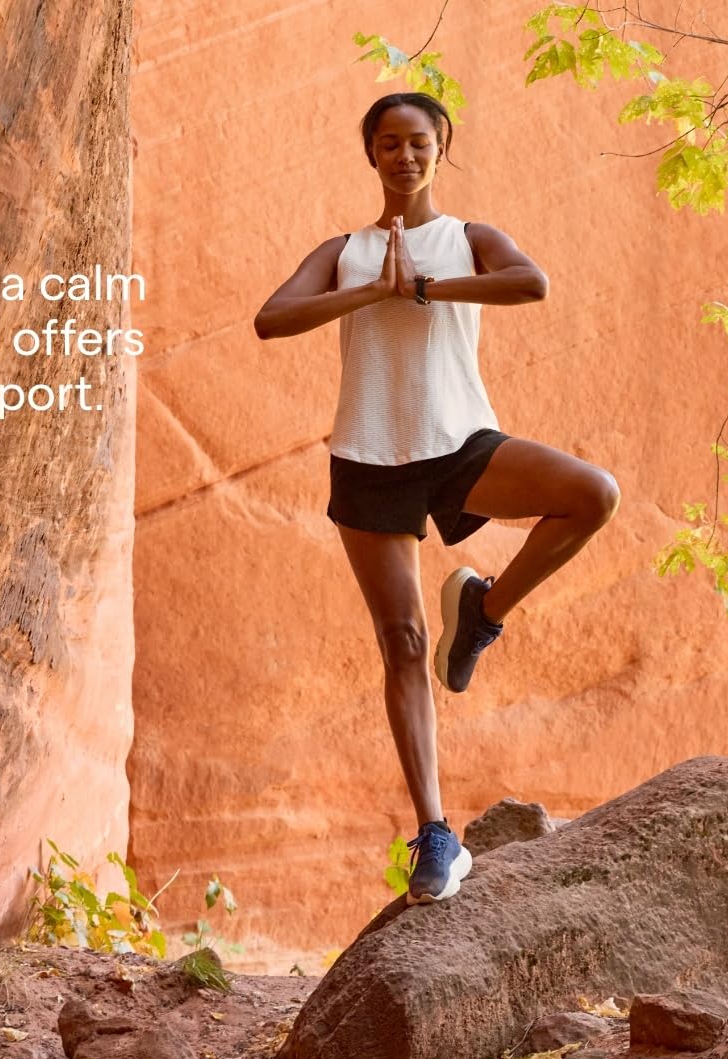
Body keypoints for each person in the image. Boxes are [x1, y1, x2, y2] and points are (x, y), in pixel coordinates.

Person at [253, 91, 620, 906]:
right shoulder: (342, 249)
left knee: (591, 494)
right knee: (405, 644)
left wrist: (423, 286)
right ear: (371, 154)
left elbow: (532, 283)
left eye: (417, 142)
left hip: (461, 445)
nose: (403, 155)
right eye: (388, 143)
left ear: (440, 147)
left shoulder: (467, 240)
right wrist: (369, 291)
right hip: (368, 459)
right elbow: (271, 319)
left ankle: (486, 609)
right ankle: (436, 835)